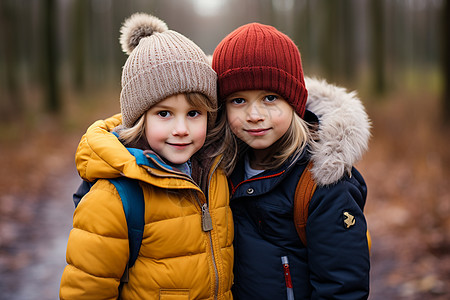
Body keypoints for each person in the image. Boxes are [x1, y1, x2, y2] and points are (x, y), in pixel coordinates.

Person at [60, 13, 233, 299]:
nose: (181, 129)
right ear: (139, 118)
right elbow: (86, 290)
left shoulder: (216, 172)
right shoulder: (115, 197)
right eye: (164, 114)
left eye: (194, 114)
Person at [210, 22, 371, 299]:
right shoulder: (220, 168)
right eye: (238, 100)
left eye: (270, 98)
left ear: (295, 102)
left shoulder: (322, 183)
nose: (255, 114)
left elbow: (342, 287)